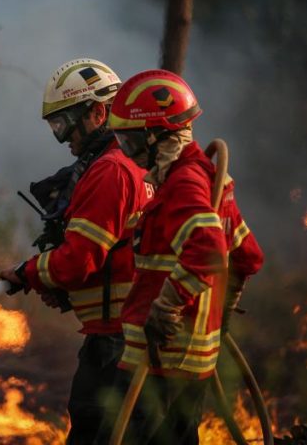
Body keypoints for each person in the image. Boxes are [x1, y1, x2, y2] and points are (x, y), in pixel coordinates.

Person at [99, 69, 264, 444]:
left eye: (130, 141)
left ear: (155, 135)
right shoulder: (210, 179)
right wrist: (221, 309)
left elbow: (207, 250)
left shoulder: (185, 183)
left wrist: (167, 307)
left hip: (163, 359)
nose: (129, 152)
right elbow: (248, 256)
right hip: (189, 360)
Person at [0, 58, 152, 444]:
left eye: (65, 123)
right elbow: (112, 256)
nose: (64, 137)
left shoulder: (111, 171)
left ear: (98, 112)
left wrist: (29, 272)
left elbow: (81, 257)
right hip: (132, 338)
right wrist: (67, 289)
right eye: (55, 126)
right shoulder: (128, 164)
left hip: (116, 344)